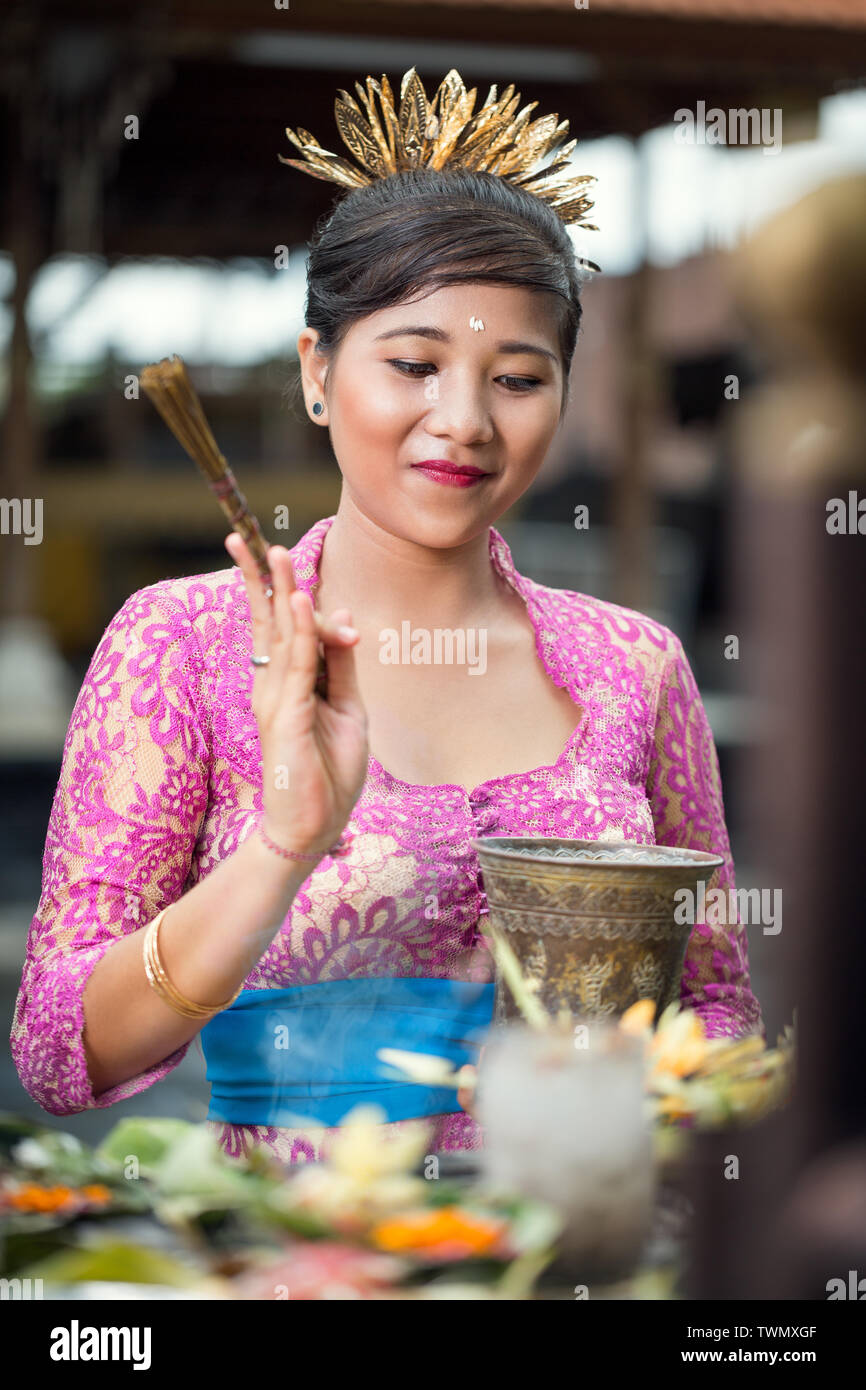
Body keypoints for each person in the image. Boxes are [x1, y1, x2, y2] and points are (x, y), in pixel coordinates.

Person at [10, 67, 763, 1166]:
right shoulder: (181, 644)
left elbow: (717, 1012)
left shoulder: (633, 664)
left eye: (516, 377)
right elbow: (58, 1051)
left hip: (580, 1255)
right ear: (317, 370)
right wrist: (281, 847)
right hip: (304, 1262)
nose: (460, 421)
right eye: (412, 363)